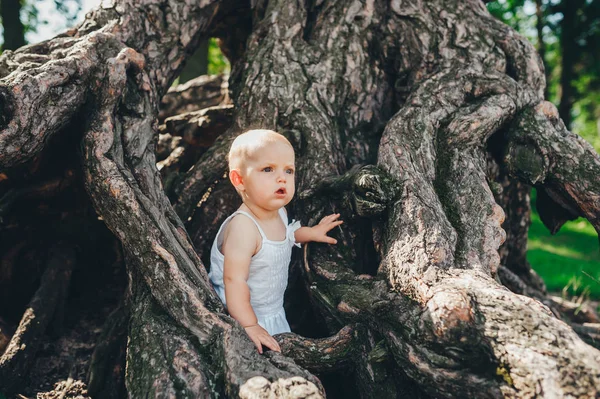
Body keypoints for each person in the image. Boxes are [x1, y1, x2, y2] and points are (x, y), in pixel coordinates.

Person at [208, 129, 343, 354]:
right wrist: (250, 324)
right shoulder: (244, 228)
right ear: (239, 179)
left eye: (288, 170)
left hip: (272, 312)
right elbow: (234, 280)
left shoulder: (278, 212)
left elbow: (284, 237)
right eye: (268, 169)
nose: (281, 177)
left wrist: (310, 233)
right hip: (241, 313)